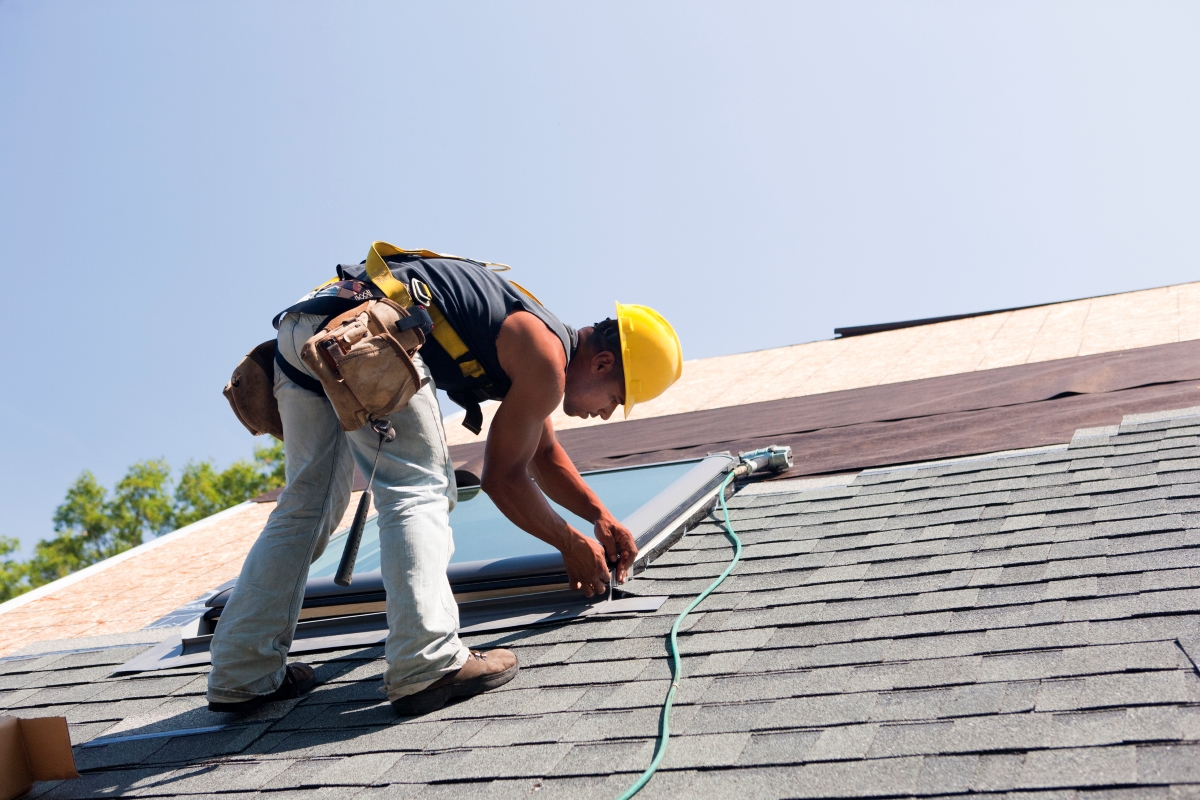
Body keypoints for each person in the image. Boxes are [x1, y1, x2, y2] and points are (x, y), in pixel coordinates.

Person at [206, 242, 683, 716]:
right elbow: (504, 478)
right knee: (418, 486)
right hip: (366, 335)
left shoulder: (539, 340)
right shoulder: (545, 359)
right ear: (602, 364)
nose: (606, 414)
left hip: (306, 332)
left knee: (307, 507)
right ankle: (426, 662)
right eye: (617, 398)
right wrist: (569, 543)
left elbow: (544, 453)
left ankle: (242, 672)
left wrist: (600, 517)